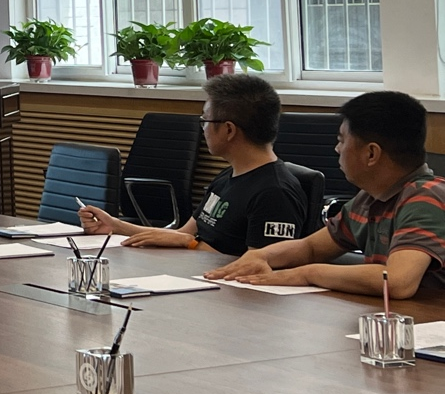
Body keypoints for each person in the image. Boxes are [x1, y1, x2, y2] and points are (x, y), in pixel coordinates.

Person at [205, 91, 445, 298]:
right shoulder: (370, 198)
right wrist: (261, 256)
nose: (337, 149)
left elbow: (397, 281)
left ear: (371, 154)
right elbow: (311, 248)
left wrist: (308, 274)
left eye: (342, 140)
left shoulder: (425, 198)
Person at [79, 74, 308, 256]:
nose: (203, 127)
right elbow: (183, 234)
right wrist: (115, 226)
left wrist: (190, 244)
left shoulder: (275, 193)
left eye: (205, 120)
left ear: (229, 130)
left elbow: (259, 265)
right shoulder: (228, 177)